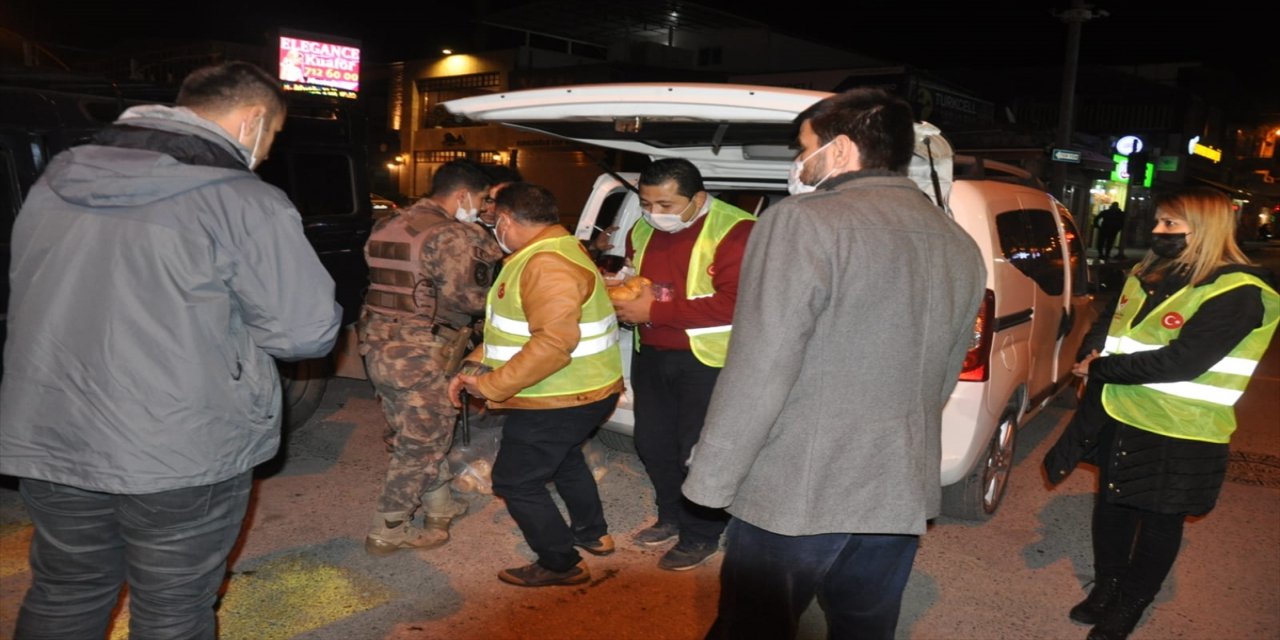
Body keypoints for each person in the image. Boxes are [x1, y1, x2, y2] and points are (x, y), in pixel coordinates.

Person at [0, 61, 342, 638]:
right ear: (253, 118)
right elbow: (304, 333)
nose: (266, 151)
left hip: (50, 431)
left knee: (66, 590)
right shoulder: (242, 200)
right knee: (173, 607)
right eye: (273, 136)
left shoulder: (57, 177)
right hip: (180, 444)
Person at [681, 87, 987, 640]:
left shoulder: (803, 221)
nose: (799, 164)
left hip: (798, 490)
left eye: (804, 149)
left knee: (753, 627)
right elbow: (941, 376)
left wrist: (711, 479)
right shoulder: (957, 241)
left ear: (841, 151)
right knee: (863, 629)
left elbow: (761, 364)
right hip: (897, 491)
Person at [1044, 186, 1278, 640]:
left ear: (1205, 229)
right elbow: (1112, 320)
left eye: (1170, 224)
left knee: (1159, 518)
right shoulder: (1148, 272)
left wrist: (1103, 368)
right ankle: (1108, 585)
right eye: (1158, 221)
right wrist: (1093, 356)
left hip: (1180, 427)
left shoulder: (1239, 292)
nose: (1157, 230)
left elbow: (1183, 361)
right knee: (1112, 504)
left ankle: (1131, 602)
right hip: (1121, 410)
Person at [447, 182, 624, 587]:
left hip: (559, 397)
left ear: (506, 220)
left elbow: (553, 345)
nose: (494, 225)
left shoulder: (545, 264)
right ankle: (592, 533)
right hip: (582, 391)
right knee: (564, 459)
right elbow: (515, 331)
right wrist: (475, 363)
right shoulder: (555, 249)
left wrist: (490, 386)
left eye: (495, 218)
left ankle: (560, 563)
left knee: (515, 480)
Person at [610, 158, 755, 571]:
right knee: (654, 444)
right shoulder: (641, 228)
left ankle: (701, 534)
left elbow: (737, 301)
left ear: (699, 199)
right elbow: (640, 281)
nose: (655, 214)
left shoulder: (737, 231)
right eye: (646, 203)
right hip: (652, 351)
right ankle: (670, 515)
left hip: (709, 362)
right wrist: (622, 294)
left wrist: (654, 310)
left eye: (667, 205)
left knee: (698, 453)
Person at [359, 159, 503, 554]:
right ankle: (389, 528)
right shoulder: (452, 234)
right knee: (423, 444)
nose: (484, 208)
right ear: (463, 195)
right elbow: (470, 300)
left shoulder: (390, 222)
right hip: (423, 350)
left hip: (379, 344)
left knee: (415, 431)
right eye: (483, 199)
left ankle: (439, 504)